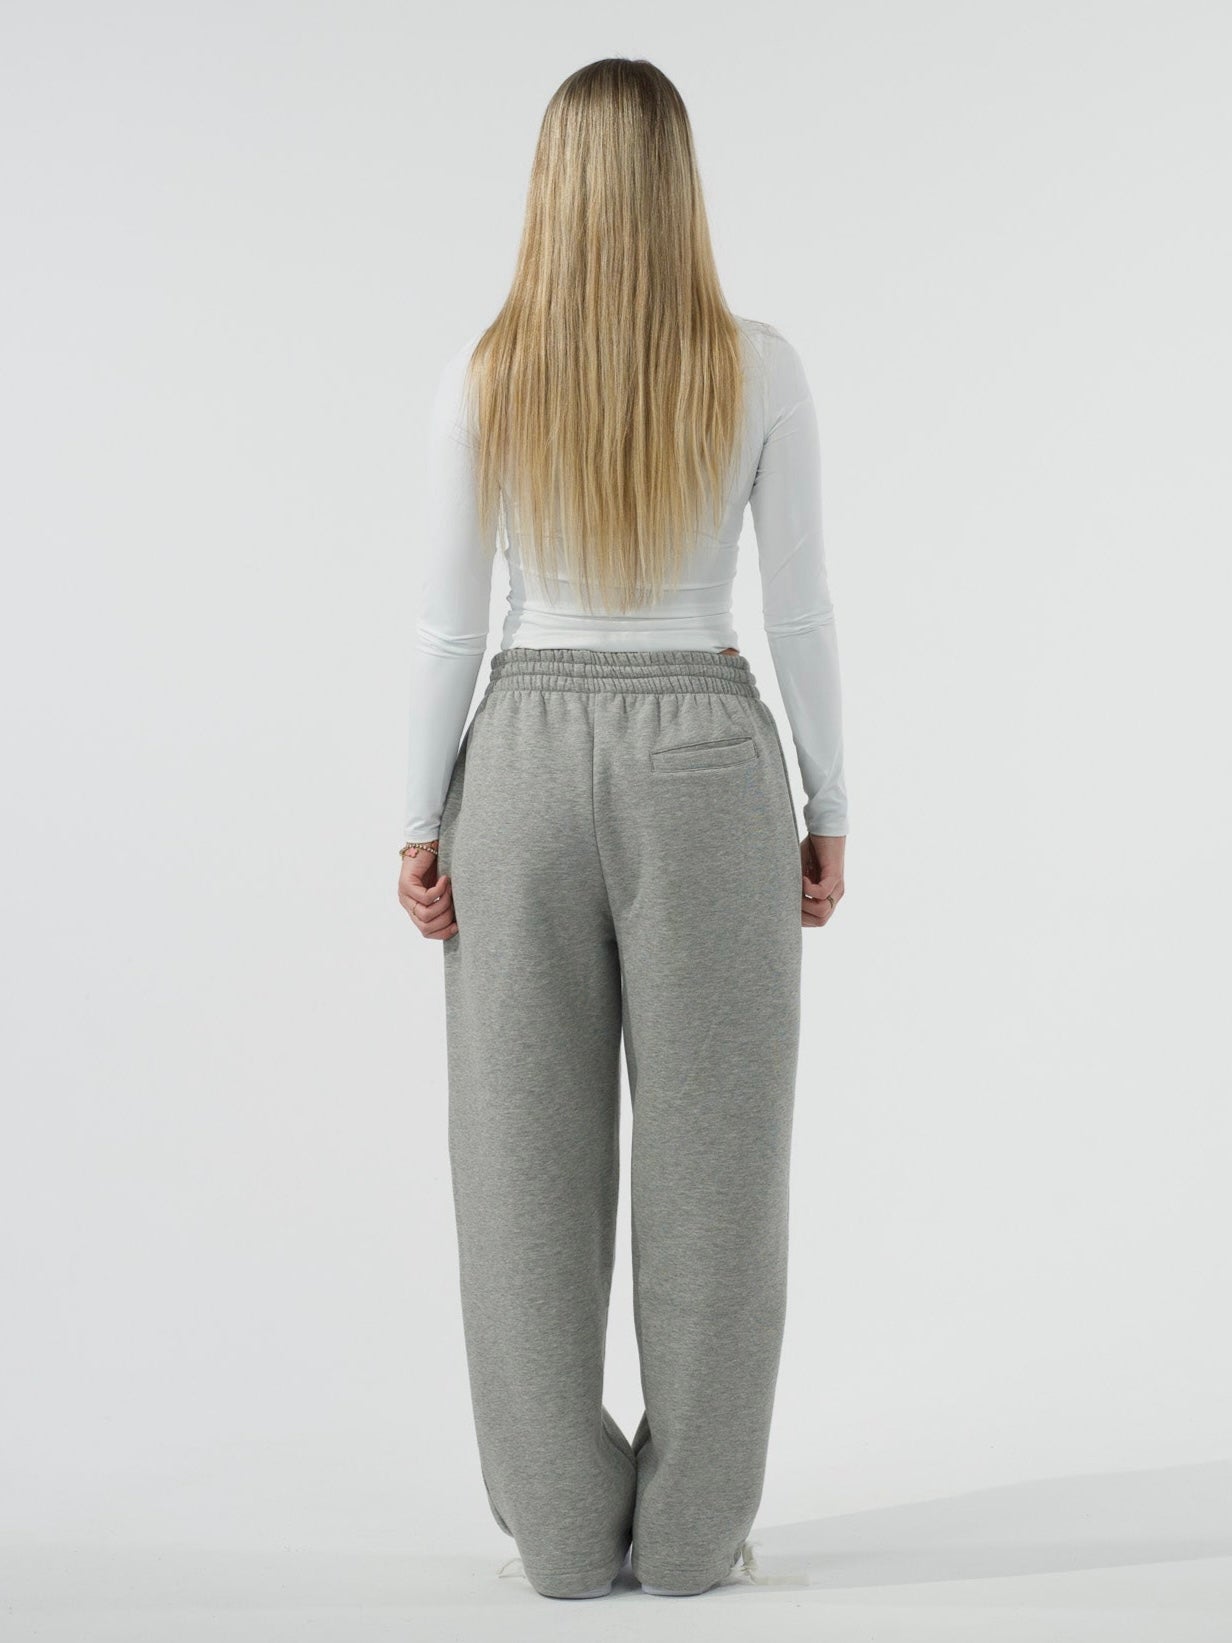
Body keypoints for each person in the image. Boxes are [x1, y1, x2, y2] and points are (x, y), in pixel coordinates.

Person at [398, 57, 847, 1601]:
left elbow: (449, 631)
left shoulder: (490, 373)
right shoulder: (757, 368)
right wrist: (832, 801)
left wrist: (418, 817)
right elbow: (799, 610)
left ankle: (565, 1533)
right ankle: (700, 1532)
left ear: (554, 187)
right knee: (721, 1167)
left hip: (521, 760)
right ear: (679, 184)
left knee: (518, 1163)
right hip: (710, 763)